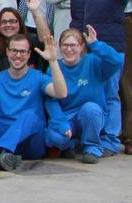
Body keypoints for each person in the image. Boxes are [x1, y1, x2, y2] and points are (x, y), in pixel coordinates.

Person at [38, 0, 132, 155]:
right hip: (81, 46)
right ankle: (85, 135)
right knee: (88, 93)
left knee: (110, 92)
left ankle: (109, 140)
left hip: (110, 46)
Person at [0, 27, 65, 171]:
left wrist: (53, 61)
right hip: (4, 130)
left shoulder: (38, 77)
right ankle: (1, 155)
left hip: (30, 141)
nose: (18, 55)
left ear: (28, 55)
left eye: (22, 52)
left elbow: (61, 93)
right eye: (14, 50)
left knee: (29, 115)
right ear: (7, 52)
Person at [45, 26, 122, 163]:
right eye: (65, 45)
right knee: (52, 136)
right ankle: (71, 145)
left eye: (73, 45)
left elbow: (117, 61)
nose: (69, 49)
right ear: (59, 47)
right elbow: (51, 100)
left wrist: (96, 45)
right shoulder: (54, 67)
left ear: (81, 47)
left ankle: (92, 148)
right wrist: (61, 123)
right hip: (67, 118)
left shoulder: (93, 62)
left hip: (91, 115)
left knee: (90, 109)